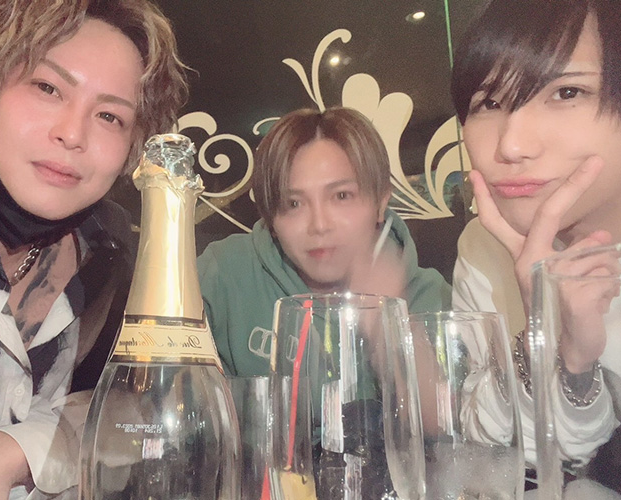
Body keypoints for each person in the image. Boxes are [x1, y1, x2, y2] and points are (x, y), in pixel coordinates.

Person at [0, 0, 187, 498]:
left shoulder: (107, 249)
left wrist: (8, 452)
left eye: (109, 116)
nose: (72, 133)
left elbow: (139, 410)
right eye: (47, 88)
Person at [450, 0, 621, 492]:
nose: (511, 146)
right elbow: (499, 456)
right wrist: (550, 342)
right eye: (489, 103)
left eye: (567, 92)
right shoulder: (485, 247)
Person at [197, 107, 450, 376]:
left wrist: (386, 328)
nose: (319, 225)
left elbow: (445, 403)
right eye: (294, 204)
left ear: (380, 203)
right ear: (271, 219)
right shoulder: (223, 275)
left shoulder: (429, 298)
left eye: (341, 196)